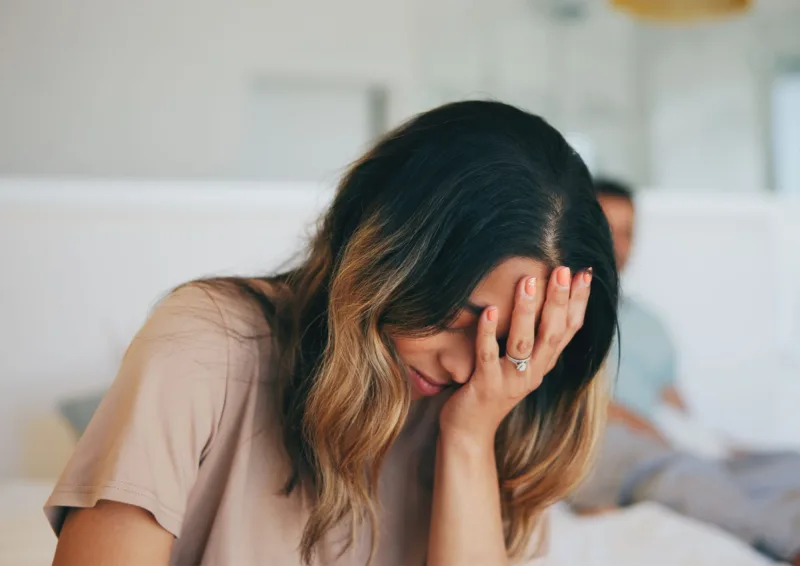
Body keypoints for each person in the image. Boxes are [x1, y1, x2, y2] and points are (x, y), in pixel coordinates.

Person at [45, 101, 620, 566]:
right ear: (387, 250)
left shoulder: (500, 407)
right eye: (458, 315)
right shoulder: (206, 341)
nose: (467, 368)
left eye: (509, 341)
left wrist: (469, 439)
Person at [570, 177, 800, 565]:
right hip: (591, 435)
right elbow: (558, 399)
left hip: (654, 438)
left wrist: (713, 444)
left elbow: (673, 400)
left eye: (627, 233)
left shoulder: (648, 323)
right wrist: (650, 432)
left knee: (782, 464)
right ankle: (789, 544)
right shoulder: (561, 313)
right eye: (606, 230)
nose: (618, 245)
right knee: (681, 473)